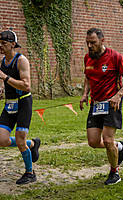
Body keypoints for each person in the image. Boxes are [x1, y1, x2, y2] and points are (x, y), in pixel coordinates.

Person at [80, 28, 123, 185]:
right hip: (95, 104)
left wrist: (118, 95)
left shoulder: (115, 57)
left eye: (93, 43)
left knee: (107, 139)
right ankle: (119, 146)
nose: (90, 46)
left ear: (102, 41)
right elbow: (88, 77)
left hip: (112, 103)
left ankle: (114, 172)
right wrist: (85, 94)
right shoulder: (87, 58)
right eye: (87, 43)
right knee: (93, 141)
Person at [0, 30, 40, 185]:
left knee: (20, 139)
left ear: (13, 44)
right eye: (0, 43)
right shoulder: (3, 61)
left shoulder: (21, 60)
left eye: (4, 43)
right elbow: (4, 81)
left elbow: (26, 86)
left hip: (23, 102)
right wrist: (2, 88)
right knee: (1, 139)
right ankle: (32, 144)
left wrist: (5, 77)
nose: (1, 46)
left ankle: (30, 173)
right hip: (10, 104)